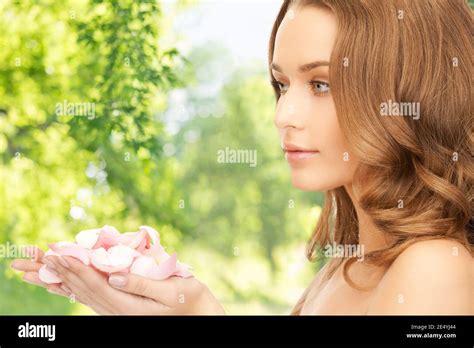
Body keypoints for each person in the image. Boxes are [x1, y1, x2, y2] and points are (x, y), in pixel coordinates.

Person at [11, 0, 473, 315]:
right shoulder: (347, 267)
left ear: (406, 93)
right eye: (281, 84)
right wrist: (194, 310)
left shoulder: (434, 268)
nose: (283, 115)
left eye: (321, 84)